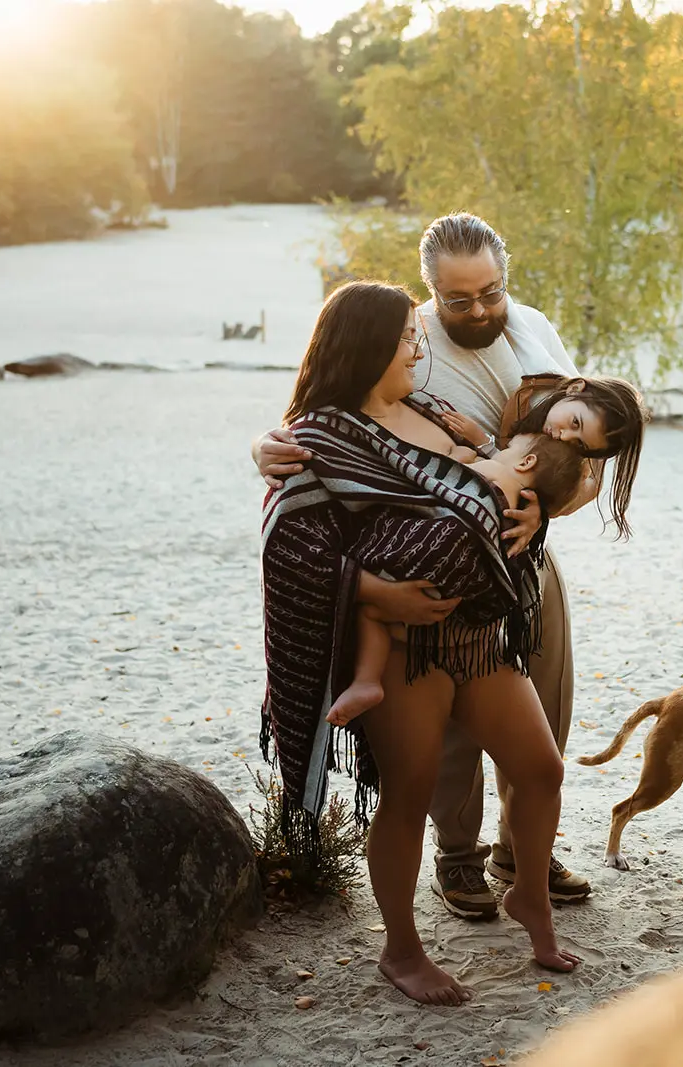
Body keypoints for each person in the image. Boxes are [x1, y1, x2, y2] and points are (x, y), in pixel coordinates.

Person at [254, 213, 648, 920]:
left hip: (523, 553)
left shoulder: (532, 332)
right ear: (430, 289)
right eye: (459, 299)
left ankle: (521, 848)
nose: (479, 310)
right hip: (433, 559)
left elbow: (587, 457)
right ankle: (458, 856)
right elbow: (328, 410)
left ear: (506, 277)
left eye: (491, 292)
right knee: (446, 735)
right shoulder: (404, 339)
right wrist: (265, 445)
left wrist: (544, 511)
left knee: (544, 705)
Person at [262, 280, 582, 1005]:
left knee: (541, 769)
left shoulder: (433, 410)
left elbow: (509, 478)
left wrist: (532, 520)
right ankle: (401, 949)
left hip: (475, 635)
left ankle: (529, 895)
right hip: (403, 649)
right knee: (407, 796)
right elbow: (290, 546)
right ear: (370, 344)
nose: (418, 346)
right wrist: (379, 595)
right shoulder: (316, 436)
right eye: (408, 336)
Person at [325, 432, 586, 728]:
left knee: (370, 611)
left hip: (430, 559)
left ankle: (366, 678)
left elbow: (441, 478)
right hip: (461, 591)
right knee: (377, 615)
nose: (498, 452)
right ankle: (368, 680)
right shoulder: (520, 509)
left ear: (526, 462)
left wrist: (458, 455)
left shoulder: (494, 473)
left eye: (508, 449)